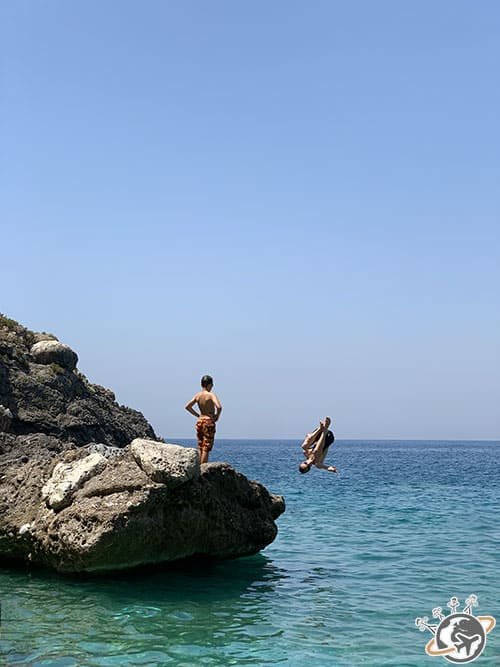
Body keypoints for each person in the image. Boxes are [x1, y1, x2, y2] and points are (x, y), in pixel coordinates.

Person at [185, 375, 222, 463]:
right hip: (208, 421)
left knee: (200, 446)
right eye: (212, 385)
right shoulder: (211, 395)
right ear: (209, 385)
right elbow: (219, 407)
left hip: (200, 421)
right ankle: (203, 467)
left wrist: (198, 415)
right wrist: (217, 416)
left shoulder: (198, 395)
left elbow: (188, 407)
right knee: (206, 447)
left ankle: (198, 467)